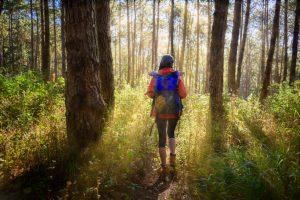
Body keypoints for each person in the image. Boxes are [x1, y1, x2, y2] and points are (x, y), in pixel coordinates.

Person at [146, 55, 187, 180]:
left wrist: (159, 96)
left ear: (161, 63)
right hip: (174, 112)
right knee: (171, 133)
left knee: (162, 139)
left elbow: (150, 93)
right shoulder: (176, 76)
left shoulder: (155, 77)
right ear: (171, 63)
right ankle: (173, 162)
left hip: (160, 112)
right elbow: (183, 94)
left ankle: (163, 168)